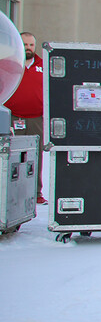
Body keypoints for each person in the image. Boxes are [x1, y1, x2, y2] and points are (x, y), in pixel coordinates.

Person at [4, 31, 46, 204]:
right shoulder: (10, 64)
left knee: (35, 156)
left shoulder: (44, 65)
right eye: (24, 44)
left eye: (31, 45)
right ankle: (7, 192)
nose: (28, 48)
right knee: (11, 156)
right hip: (13, 118)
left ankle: (35, 193)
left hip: (36, 119)